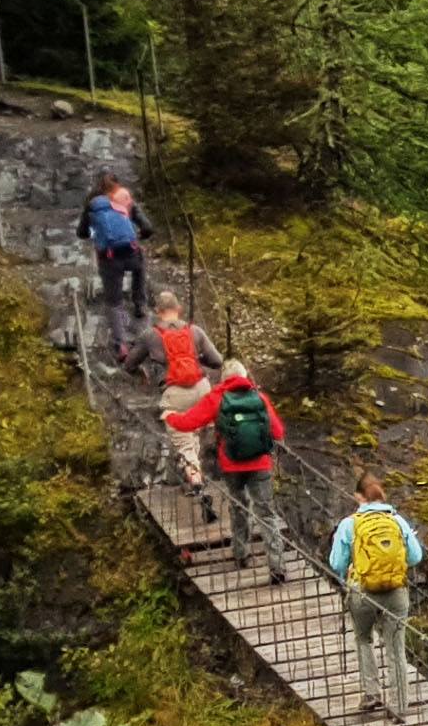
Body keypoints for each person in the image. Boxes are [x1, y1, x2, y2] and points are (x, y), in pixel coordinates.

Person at [167, 357, 289, 580]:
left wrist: (170, 417)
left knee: (238, 505)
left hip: (232, 465)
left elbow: (190, 422)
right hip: (260, 464)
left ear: (223, 379)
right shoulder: (259, 398)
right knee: (267, 515)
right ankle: (277, 567)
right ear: (244, 377)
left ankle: (241, 553)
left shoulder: (217, 398)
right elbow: (278, 432)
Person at [327, 472, 425, 717]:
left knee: (363, 638)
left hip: (362, 590)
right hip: (395, 591)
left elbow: (336, 562)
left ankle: (372, 693)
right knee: (396, 647)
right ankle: (400, 705)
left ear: (358, 496)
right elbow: (415, 557)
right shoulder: (398, 521)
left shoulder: (349, 524)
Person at [148, 294, 224, 499]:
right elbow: (217, 361)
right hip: (202, 390)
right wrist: (196, 360)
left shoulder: (151, 335)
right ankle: (198, 474)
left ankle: (197, 483)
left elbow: (128, 364)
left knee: (183, 442)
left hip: (175, 394)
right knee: (195, 431)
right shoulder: (195, 331)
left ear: (158, 312)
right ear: (178, 309)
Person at [78, 174, 152, 373]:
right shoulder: (126, 201)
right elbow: (148, 227)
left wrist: (95, 232)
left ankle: (120, 344)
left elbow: (81, 233)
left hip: (108, 258)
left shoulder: (93, 206)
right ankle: (140, 304)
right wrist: (138, 236)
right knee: (139, 267)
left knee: (114, 301)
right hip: (130, 251)